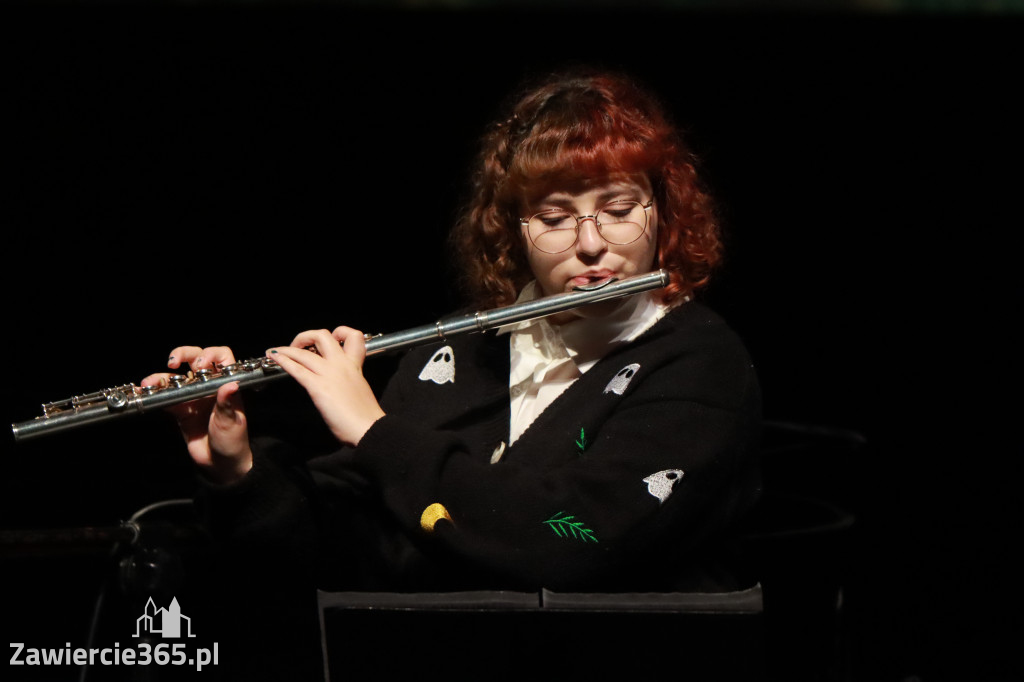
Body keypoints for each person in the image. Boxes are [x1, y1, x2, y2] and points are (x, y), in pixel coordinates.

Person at [143, 66, 761, 677]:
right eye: (553, 218)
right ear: (514, 231)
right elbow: (352, 543)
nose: (591, 243)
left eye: (620, 208)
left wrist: (375, 431)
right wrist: (238, 471)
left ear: (664, 214)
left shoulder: (700, 362)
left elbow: (578, 539)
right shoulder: (464, 349)